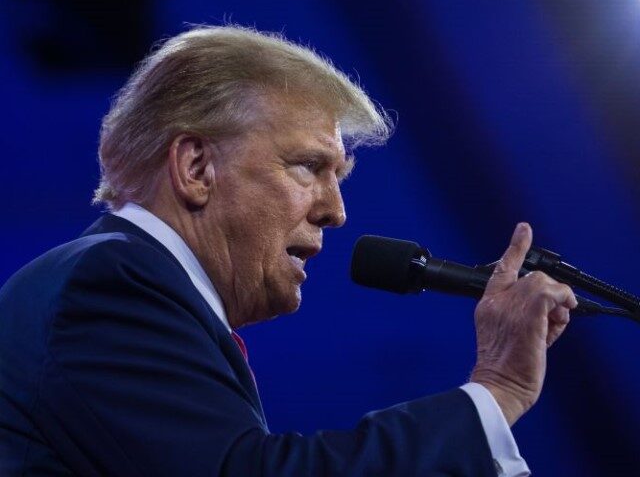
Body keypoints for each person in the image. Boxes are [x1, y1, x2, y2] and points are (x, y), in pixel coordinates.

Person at [0, 25, 576, 476]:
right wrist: (494, 391)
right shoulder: (111, 284)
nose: (336, 210)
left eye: (340, 175)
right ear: (197, 166)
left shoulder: (128, 285)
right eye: (308, 166)